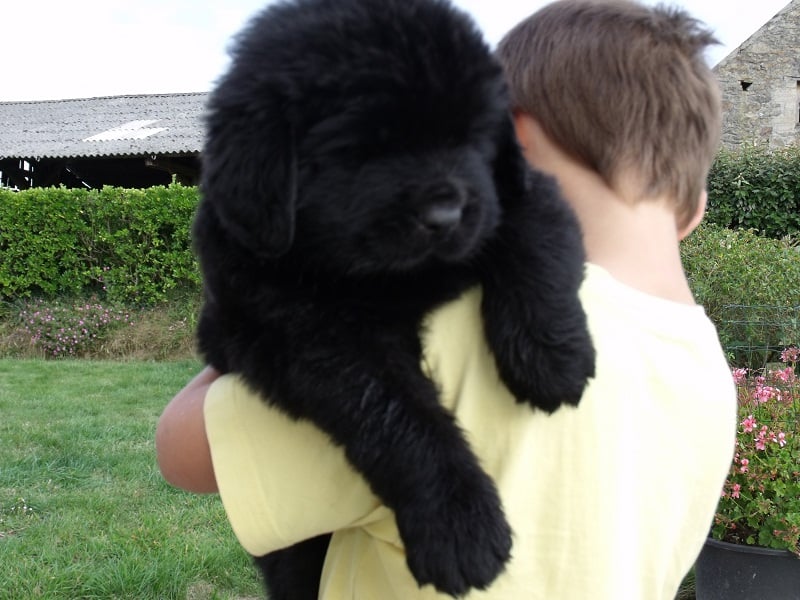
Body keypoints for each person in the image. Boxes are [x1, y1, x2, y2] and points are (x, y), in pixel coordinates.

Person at [155, 1, 737, 597]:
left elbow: (182, 450)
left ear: (512, 140)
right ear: (693, 210)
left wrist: (246, 323)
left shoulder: (447, 338)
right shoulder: (708, 373)